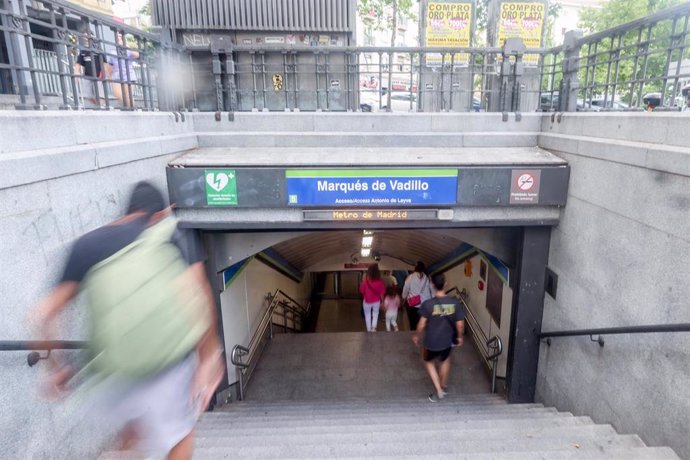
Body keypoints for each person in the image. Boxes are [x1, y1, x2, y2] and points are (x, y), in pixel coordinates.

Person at [33, 181, 224, 459]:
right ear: (161, 213)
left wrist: (56, 368)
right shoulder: (169, 235)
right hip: (166, 364)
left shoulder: (86, 245)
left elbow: (44, 312)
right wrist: (208, 357)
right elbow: (197, 295)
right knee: (180, 434)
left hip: (112, 370)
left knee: (133, 432)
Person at [412, 273, 465, 403]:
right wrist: (459, 337)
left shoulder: (428, 304)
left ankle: (438, 390)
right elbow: (460, 324)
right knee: (445, 361)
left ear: (432, 285)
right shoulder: (454, 303)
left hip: (431, 342)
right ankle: (443, 386)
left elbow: (422, 324)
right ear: (445, 284)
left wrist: (416, 335)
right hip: (447, 341)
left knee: (429, 362)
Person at [108, 32, 140, 108]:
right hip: (116, 76)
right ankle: (130, 106)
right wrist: (108, 74)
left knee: (127, 96)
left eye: (120, 36)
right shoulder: (112, 52)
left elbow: (137, 55)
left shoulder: (128, 50)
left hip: (128, 75)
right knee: (118, 95)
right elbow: (110, 65)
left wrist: (126, 47)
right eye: (117, 36)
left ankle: (131, 108)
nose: (118, 38)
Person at [402, 261, 433, 331]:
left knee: (413, 324)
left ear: (415, 268)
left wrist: (403, 297)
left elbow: (406, 288)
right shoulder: (428, 277)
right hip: (426, 304)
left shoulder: (410, 277)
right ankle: (424, 337)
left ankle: (415, 336)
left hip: (413, 305)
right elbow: (432, 290)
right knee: (424, 323)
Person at [359, 263, 386, 332]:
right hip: (376, 301)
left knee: (367, 315)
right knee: (375, 314)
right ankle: (373, 328)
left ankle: (369, 329)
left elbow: (361, 291)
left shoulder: (365, 282)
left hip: (367, 301)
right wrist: (383, 301)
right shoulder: (380, 282)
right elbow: (382, 293)